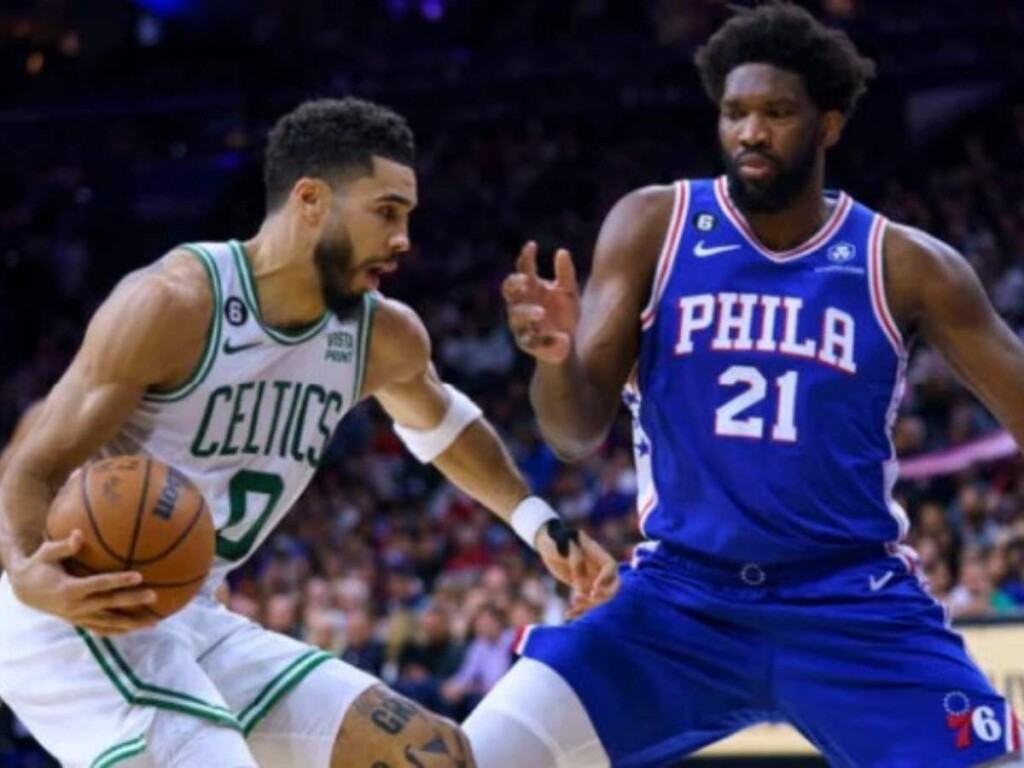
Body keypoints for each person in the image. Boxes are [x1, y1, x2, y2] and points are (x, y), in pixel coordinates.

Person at [466, 4, 1024, 767]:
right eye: (734, 112)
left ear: (828, 126)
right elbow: (572, 431)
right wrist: (557, 358)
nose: (750, 132)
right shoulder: (653, 225)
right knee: (471, 755)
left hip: (851, 607)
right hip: (677, 605)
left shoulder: (903, 263)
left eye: (776, 113)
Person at [0, 97, 618, 768]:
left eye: (407, 216)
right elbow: (32, 462)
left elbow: (444, 427)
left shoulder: (381, 333)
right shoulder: (174, 304)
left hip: (191, 612)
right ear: (310, 200)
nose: (404, 238)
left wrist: (539, 524)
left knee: (433, 754)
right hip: (81, 613)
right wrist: (32, 574)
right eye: (386, 212)